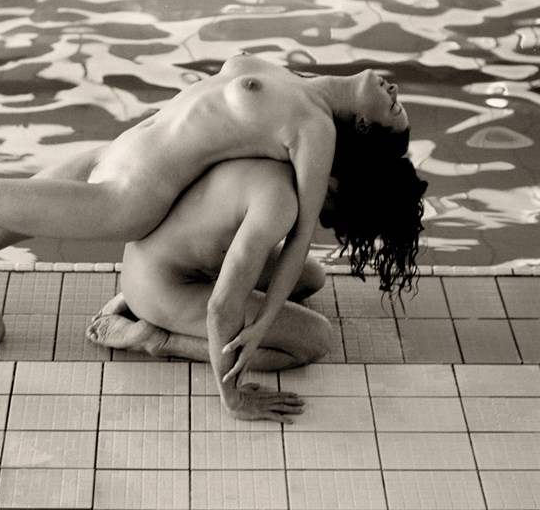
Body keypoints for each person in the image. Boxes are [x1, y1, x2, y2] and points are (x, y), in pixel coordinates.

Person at [0, 54, 417, 361]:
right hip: (111, 155)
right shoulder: (296, 81)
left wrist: (263, 319)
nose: (396, 95)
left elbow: (300, 230)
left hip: (125, 199)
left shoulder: (316, 129)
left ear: (362, 129)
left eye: (395, 113)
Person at [86, 131, 426, 421]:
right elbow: (221, 308)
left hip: (154, 260)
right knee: (314, 339)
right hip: (163, 285)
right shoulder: (280, 202)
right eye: (352, 218)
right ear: (335, 187)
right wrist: (235, 400)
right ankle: (156, 338)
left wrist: (262, 321)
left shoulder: (290, 152)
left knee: (310, 276)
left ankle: (140, 299)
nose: (336, 226)